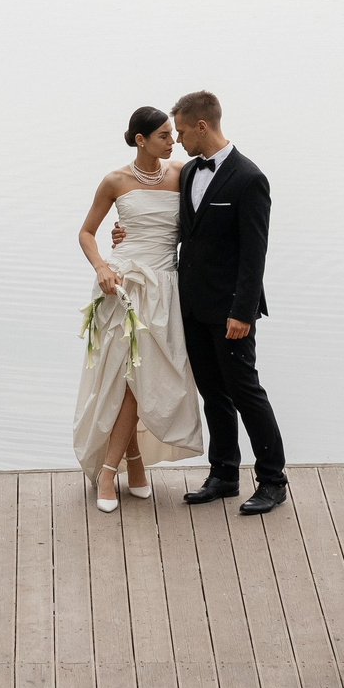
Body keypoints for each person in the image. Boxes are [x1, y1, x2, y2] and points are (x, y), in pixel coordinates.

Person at [156, 90, 287, 515]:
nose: (177, 140)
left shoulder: (249, 178)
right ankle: (224, 474)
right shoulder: (190, 172)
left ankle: (273, 480)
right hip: (192, 306)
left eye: (180, 131)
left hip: (231, 310)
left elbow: (254, 254)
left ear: (202, 126)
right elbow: (179, 230)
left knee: (246, 392)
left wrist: (242, 313)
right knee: (213, 393)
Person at [73, 107, 204, 511]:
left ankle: (133, 461)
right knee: (126, 378)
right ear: (140, 140)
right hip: (122, 285)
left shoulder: (182, 174)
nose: (172, 141)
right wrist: (101, 267)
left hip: (164, 287)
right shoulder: (115, 181)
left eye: (172, 133)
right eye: (163, 135)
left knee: (142, 376)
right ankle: (111, 471)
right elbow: (86, 233)